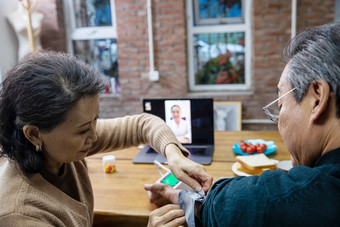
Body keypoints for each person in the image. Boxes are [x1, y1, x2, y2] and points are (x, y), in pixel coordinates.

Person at [145, 22, 340, 226]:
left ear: (317, 98)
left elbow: (216, 204)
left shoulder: (280, 198)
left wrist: (172, 194)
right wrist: (170, 193)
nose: (278, 122)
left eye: (281, 103)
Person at [0, 51, 213, 226]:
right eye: (83, 129)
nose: (94, 135)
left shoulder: (58, 148)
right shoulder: (20, 214)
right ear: (34, 134)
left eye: (96, 119)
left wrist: (173, 155)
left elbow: (142, 124)